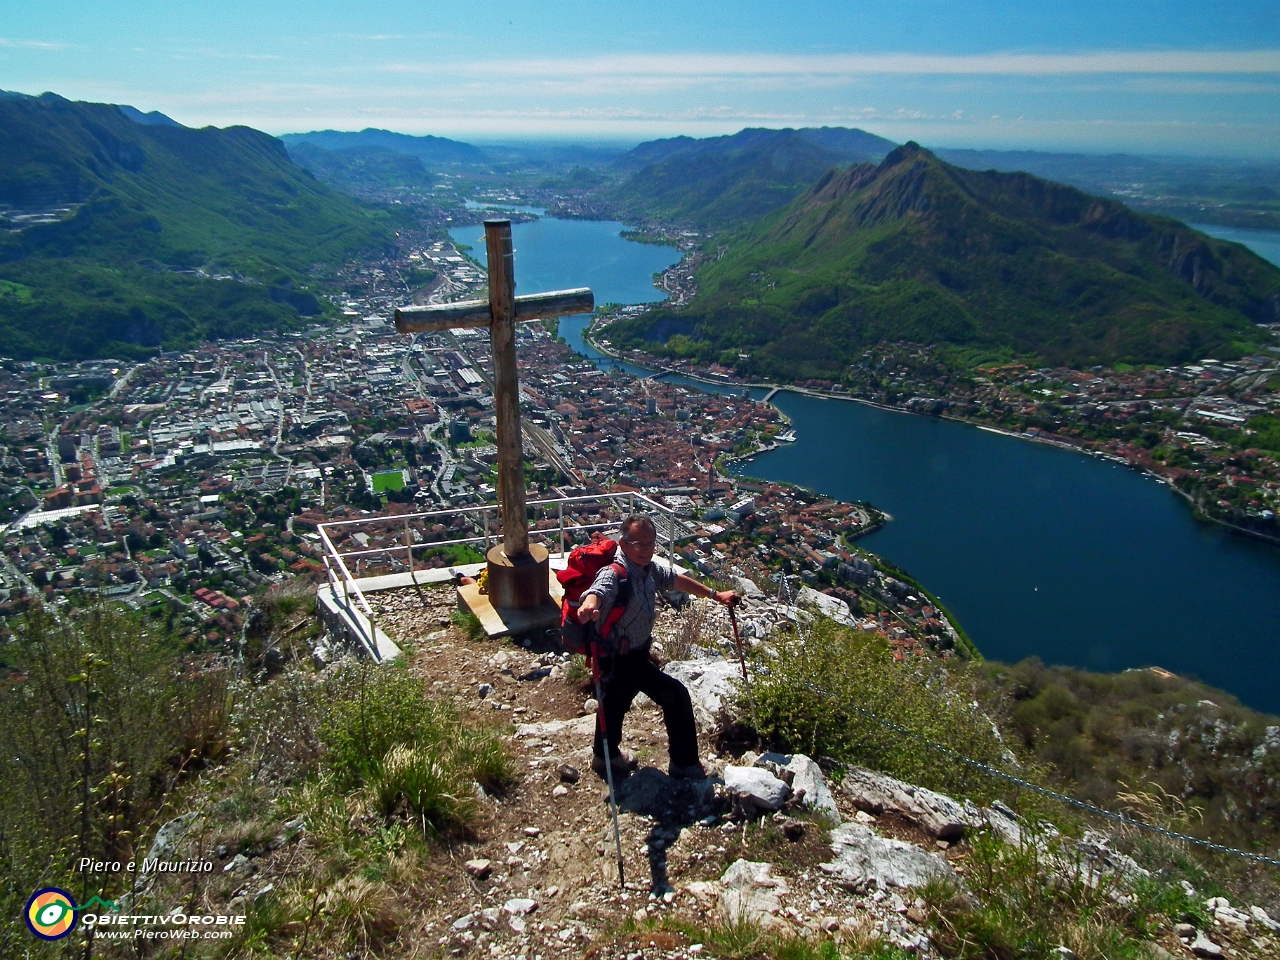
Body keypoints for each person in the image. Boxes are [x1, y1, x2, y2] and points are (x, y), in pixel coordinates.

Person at [576, 513, 738, 780]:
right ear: (623, 543)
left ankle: (604, 756)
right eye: (638, 543)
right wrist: (590, 603)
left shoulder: (647, 569)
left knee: (615, 703)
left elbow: (674, 579)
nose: (646, 549)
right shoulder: (615, 572)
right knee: (676, 697)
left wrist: (714, 595)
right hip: (621, 658)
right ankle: (684, 764)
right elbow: (600, 589)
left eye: (650, 543)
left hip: (633, 654)